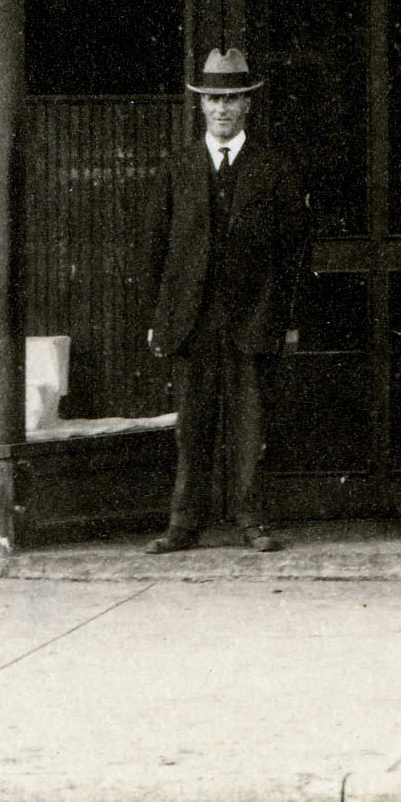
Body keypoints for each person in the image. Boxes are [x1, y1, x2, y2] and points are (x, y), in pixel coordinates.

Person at [143, 45, 309, 554]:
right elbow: (154, 248)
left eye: (231, 99)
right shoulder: (179, 167)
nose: (221, 109)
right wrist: (157, 317)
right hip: (191, 320)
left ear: (247, 106)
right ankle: (183, 524)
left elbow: (295, 254)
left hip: (253, 316)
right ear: (200, 106)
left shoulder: (273, 169)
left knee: (248, 422)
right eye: (213, 100)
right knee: (191, 425)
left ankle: (251, 519)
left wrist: (289, 320)